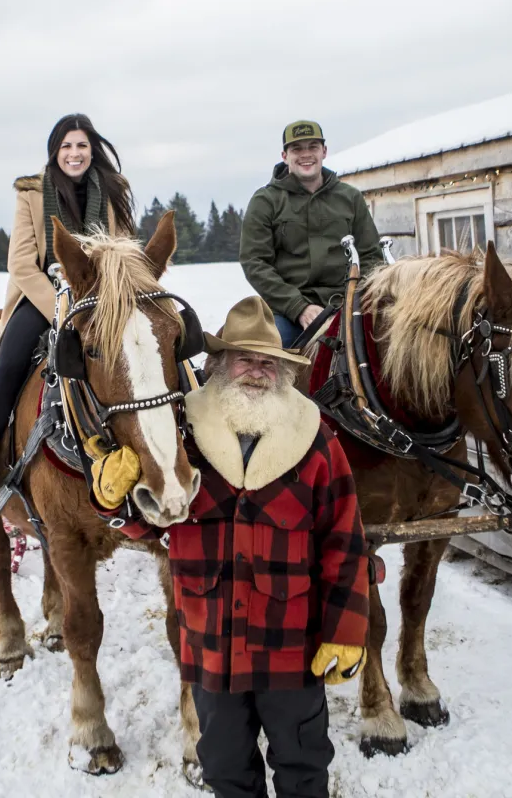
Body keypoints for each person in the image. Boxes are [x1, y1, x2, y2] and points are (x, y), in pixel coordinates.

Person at [167, 296, 370, 798]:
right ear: (217, 364)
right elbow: (146, 521)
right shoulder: (181, 438)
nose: (257, 371)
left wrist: (345, 630)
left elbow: (345, 541)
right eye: (245, 358)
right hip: (212, 648)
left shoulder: (317, 442)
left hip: (291, 651)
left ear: (282, 371)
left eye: (267, 362)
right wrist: (113, 500)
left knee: (304, 768)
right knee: (225, 771)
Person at [0, 113, 136, 521]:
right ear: (54, 152)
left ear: (93, 150)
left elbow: (125, 249)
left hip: (99, 299)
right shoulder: (32, 193)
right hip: (46, 295)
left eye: (81, 146)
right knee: (7, 367)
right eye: (66, 146)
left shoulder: (111, 190)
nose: (74, 154)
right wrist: (59, 306)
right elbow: (22, 264)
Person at [239, 120, 382, 348]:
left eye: (313, 147)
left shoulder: (350, 198)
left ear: (324, 151)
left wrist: (355, 299)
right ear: (285, 155)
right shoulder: (265, 201)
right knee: (265, 355)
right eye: (297, 149)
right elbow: (255, 262)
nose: (306, 154)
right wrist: (299, 308)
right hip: (288, 312)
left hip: (348, 305)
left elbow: (371, 256)